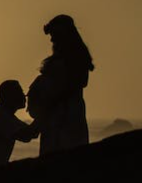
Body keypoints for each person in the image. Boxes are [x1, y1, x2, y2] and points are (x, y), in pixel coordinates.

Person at [27, 15, 94, 155]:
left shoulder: (76, 57)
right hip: (58, 115)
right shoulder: (70, 57)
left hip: (66, 115)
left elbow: (73, 86)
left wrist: (46, 108)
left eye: (53, 35)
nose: (51, 40)